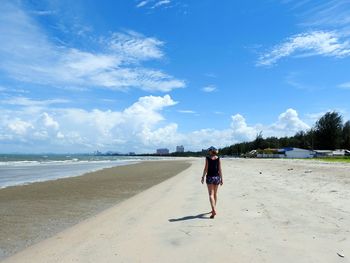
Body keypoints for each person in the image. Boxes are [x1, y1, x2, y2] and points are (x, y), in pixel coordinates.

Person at [201, 146, 223, 219]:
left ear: (211, 151)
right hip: (217, 177)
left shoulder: (207, 158)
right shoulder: (218, 158)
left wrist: (203, 177)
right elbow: (220, 169)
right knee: (215, 194)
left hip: (210, 177)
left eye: (209, 150)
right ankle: (214, 208)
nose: (208, 151)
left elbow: (205, 168)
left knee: (211, 194)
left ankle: (213, 210)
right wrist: (222, 179)